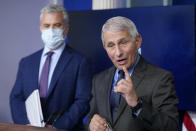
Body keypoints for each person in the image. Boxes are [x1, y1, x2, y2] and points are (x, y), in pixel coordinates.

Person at [85, 16, 179, 131]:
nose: (118, 53)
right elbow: (90, 118)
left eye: (123, 43)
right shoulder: (98, 80)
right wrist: (91, 125)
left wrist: (136, 103)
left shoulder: (161, 78)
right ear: (105, 48)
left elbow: (171, 127)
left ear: (137, 41)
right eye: (111, 45)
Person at [10, 4, 92, 131]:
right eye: (47, 25)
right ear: (40, 28)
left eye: (57, 25)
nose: (51, 30)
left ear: (66, 28)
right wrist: (26, 125)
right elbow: (16, 98)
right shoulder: (26, 62)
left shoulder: (80, 62)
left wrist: (56, 128)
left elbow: (82, 101)